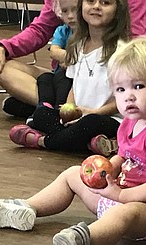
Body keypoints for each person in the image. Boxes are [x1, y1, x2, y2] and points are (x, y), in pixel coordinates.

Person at [0, 35, 146, 245]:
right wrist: (107, 170)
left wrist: (121, 196)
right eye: (120, 89)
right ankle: (25, 208)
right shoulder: (131, 122)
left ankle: (82, 239)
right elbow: (123, 155)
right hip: (119, 194)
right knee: (72, 174)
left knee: (127, 213)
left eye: (138, 86)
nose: (128, 97)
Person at [0, 0, 146, 118]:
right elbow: (40, 29)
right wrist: (3, 48)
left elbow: (136, 42)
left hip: (107, 78)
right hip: (66, 76)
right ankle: (57, 109)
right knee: (3, 68)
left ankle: (47, 109)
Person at [9, 0, 131, 156]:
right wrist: (68, 109)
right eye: (91, 1)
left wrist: (94, 112)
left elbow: (124, 98)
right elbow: (74, 85)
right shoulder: (78, 45)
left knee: (90, 123)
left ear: (117, 11)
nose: (96, 6)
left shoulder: (122, 52)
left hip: (107, 118)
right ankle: (91, 143)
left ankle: (42, 141)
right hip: (79, 117)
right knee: (41, 114)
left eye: (105, 3)